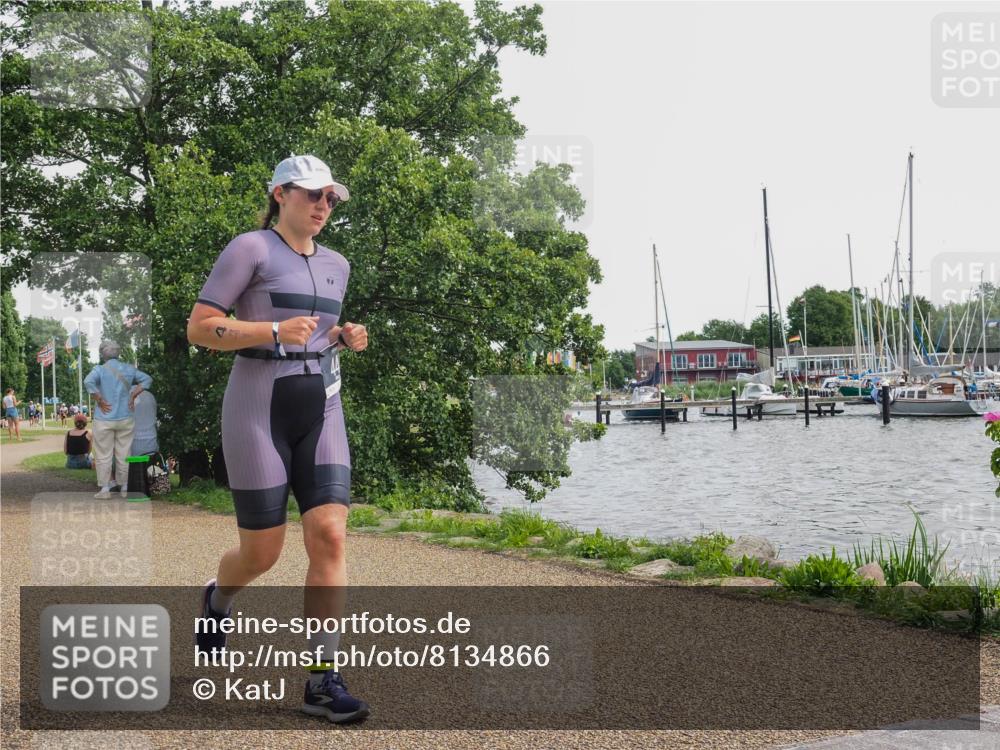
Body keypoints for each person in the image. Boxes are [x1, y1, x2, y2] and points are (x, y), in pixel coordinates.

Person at [187, 154, 370, 724]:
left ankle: (322, 679)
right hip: (256, 407)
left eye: (330, 198)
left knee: (330, 535)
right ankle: (218, 599)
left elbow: (315, 335)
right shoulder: (251, 249)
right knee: (262, 553)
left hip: (323, 406)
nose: (323, 205)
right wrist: (267, 329)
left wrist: (342, 334)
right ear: (279, 194)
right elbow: (199, 327)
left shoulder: (338, 263)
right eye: (312, 194)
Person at [83, 340, 153, 499]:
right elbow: (147, 379)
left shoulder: (99, 369)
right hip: (126, 417)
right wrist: (134, 394)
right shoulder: (129, 369)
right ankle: (125, 487)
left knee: (103, 454)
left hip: (104, 418)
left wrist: (99, 399)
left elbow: (88, 381)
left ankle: (105, 489)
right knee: (124, 452)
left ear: (102, 354)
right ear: (118, 353)